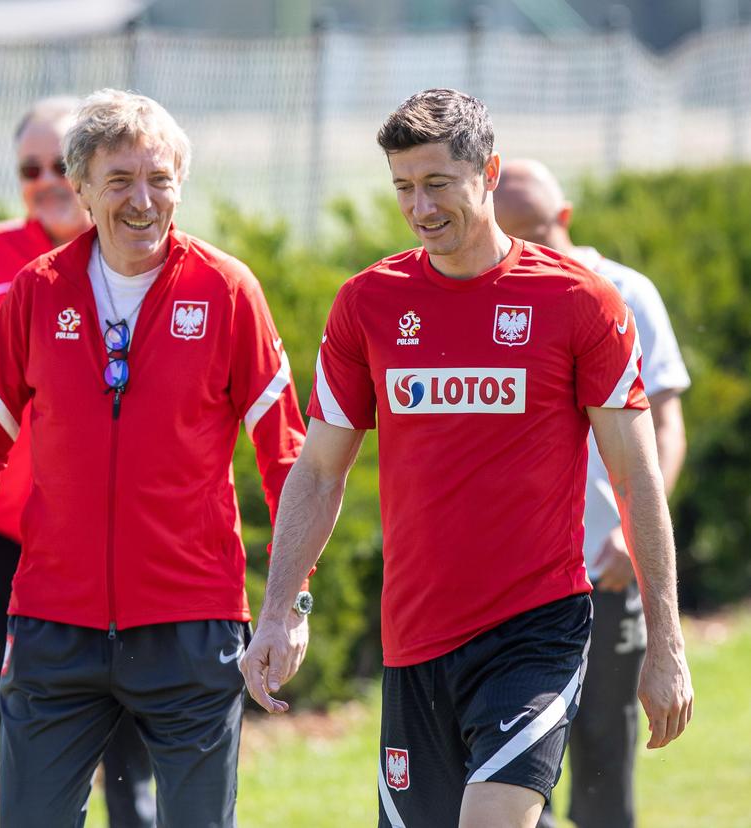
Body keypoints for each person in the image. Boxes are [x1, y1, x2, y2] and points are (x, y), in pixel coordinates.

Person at [240, 88, 693, 828]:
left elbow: (637, 475)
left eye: (438, 184)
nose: (420, 207)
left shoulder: (580, 301)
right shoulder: (368, 305)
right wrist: (281, 607)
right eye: (403, 188)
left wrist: (666, 645)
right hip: (414, 637)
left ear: (488, 173)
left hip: (535, 629)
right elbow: (319, 470)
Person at [0, 89, 307, 828]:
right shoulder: (37, 294)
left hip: (193, 628)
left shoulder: (228, 291)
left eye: (160, 179)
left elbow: (290, 459)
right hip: (52, 627)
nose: (144, 201)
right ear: (79, 189)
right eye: (120, 181)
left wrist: (286, 605)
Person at [0, 96, 157, 828]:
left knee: (135, 768)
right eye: (28, 168)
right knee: (30, 748)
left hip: (127, 549)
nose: (46, 180)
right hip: (16, 548)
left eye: (56, 163)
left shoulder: (155, 260)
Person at [494, 158, 690, 828]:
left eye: (542, 230)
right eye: (515, 234)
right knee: (510, 763)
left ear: (567, 217)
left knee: (604, 759)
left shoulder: (627, 293)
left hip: (606, 575)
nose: (535, 247)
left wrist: (626, 537)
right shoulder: (496, 300)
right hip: (513, 582)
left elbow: (666, 427)